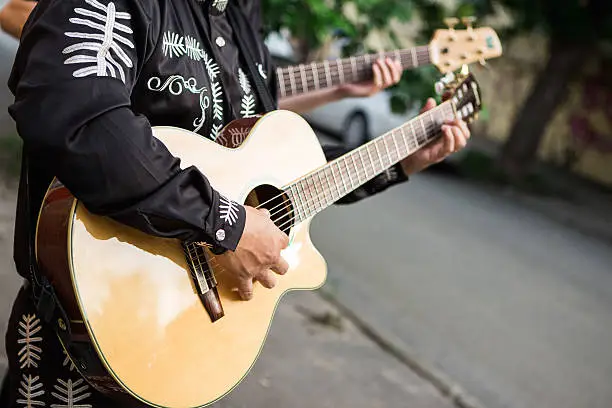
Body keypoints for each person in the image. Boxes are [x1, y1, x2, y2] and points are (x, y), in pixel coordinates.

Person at [1, 0, 470, 406]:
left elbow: (280, 171)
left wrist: (400, 162)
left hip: (188, 347)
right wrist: (228, 226)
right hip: (81, 335)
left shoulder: (240, 16)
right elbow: (81, 122)